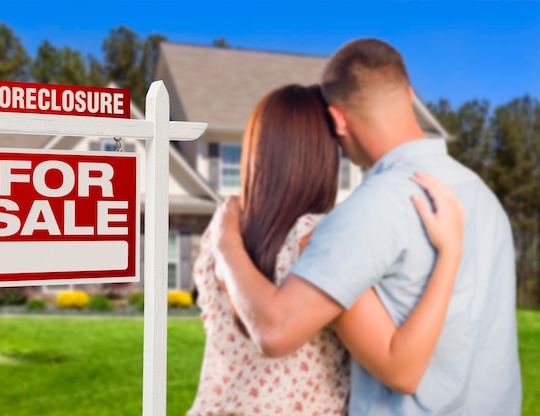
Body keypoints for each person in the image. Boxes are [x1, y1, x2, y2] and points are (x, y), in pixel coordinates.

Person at [209, 39, 522, 415]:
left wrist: (225, 241)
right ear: (408, 94)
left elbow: (275, 332)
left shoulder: (370, 209)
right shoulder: (482, 196)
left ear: (338, 119)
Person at [188, 84, 465, 416]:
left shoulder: (220, 233)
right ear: (322, 155)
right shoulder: (317, 240)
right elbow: (401, 370)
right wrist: (450, 252)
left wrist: (224, 241)